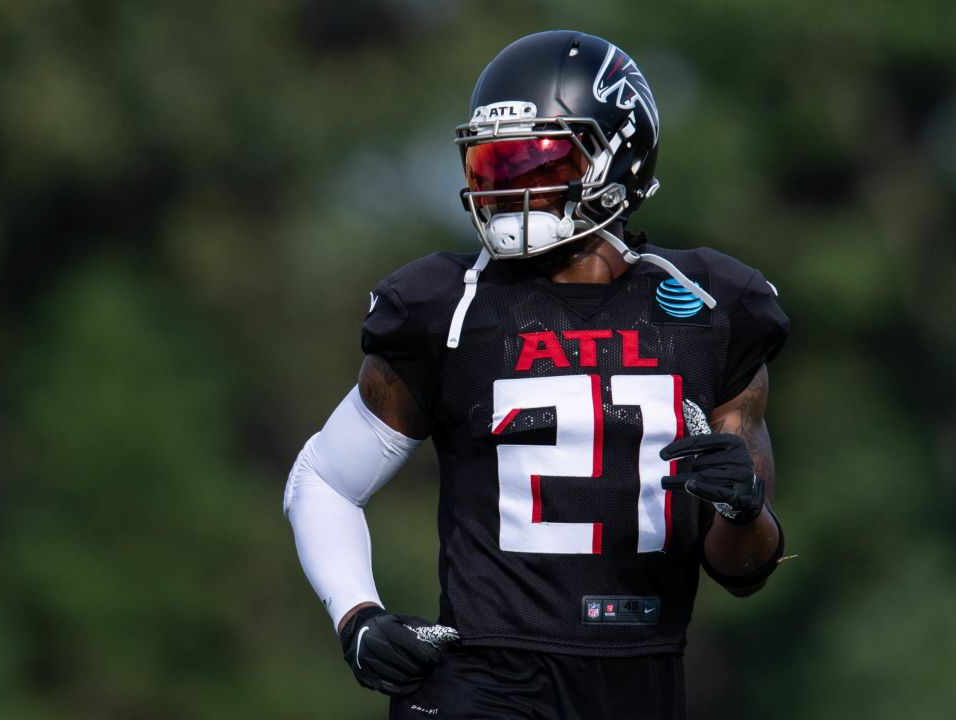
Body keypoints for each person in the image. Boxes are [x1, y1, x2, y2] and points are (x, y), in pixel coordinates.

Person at [284, 30, 789, 719]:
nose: (508, 188)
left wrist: (743, 508)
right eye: (493, 166)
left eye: (535, 161)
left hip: (642, 682)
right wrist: (358, 617)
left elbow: (745, 569)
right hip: (485, 684)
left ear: (619, 155)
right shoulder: (447, 306)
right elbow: (324, 478)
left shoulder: (710, 306)